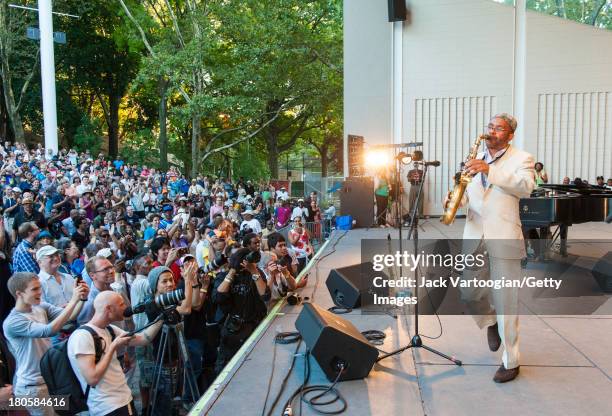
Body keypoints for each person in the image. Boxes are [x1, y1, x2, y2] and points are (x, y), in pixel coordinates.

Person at [448, 113, 535, 383]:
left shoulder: (522, 158)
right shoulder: (472, 160)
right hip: (474, 234)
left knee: (506, 301)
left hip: (504, 236)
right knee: (468, 293)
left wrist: (489, 170)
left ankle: (511, 361)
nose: (493, 131)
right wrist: (453, 199)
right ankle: (490, 322)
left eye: (500, 128)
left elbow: (526, 187)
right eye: (490, 126)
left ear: (510, 135)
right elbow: (468, 196)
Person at [3, 272, 88, 416]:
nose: (40, 292)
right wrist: (73, 300)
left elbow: (68, 316)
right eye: (34, 289)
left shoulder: (40, 306)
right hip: (32, 388)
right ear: (19, 294)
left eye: (40, 287)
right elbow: (49, 330)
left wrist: (81, 299)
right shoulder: (12, 322)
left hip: (49, 380)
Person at [68, 291, 163, 416]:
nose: (126, 307)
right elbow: (92, 378)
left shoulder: (109, 329)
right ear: (109, 309)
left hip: (122, 400)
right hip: (109, 407)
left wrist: (161, 317)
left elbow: (144, 338)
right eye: (121, 304)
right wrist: (113, 347)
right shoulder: (82, 336)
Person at [213, 248, 269, 373]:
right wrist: (232, 272)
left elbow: (265, 295)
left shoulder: (255, 274)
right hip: (232, 332)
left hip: (254, 326)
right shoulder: (223, 276)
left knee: (253, 367)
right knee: (225, 369)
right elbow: (218, 297)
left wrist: (254, 271)